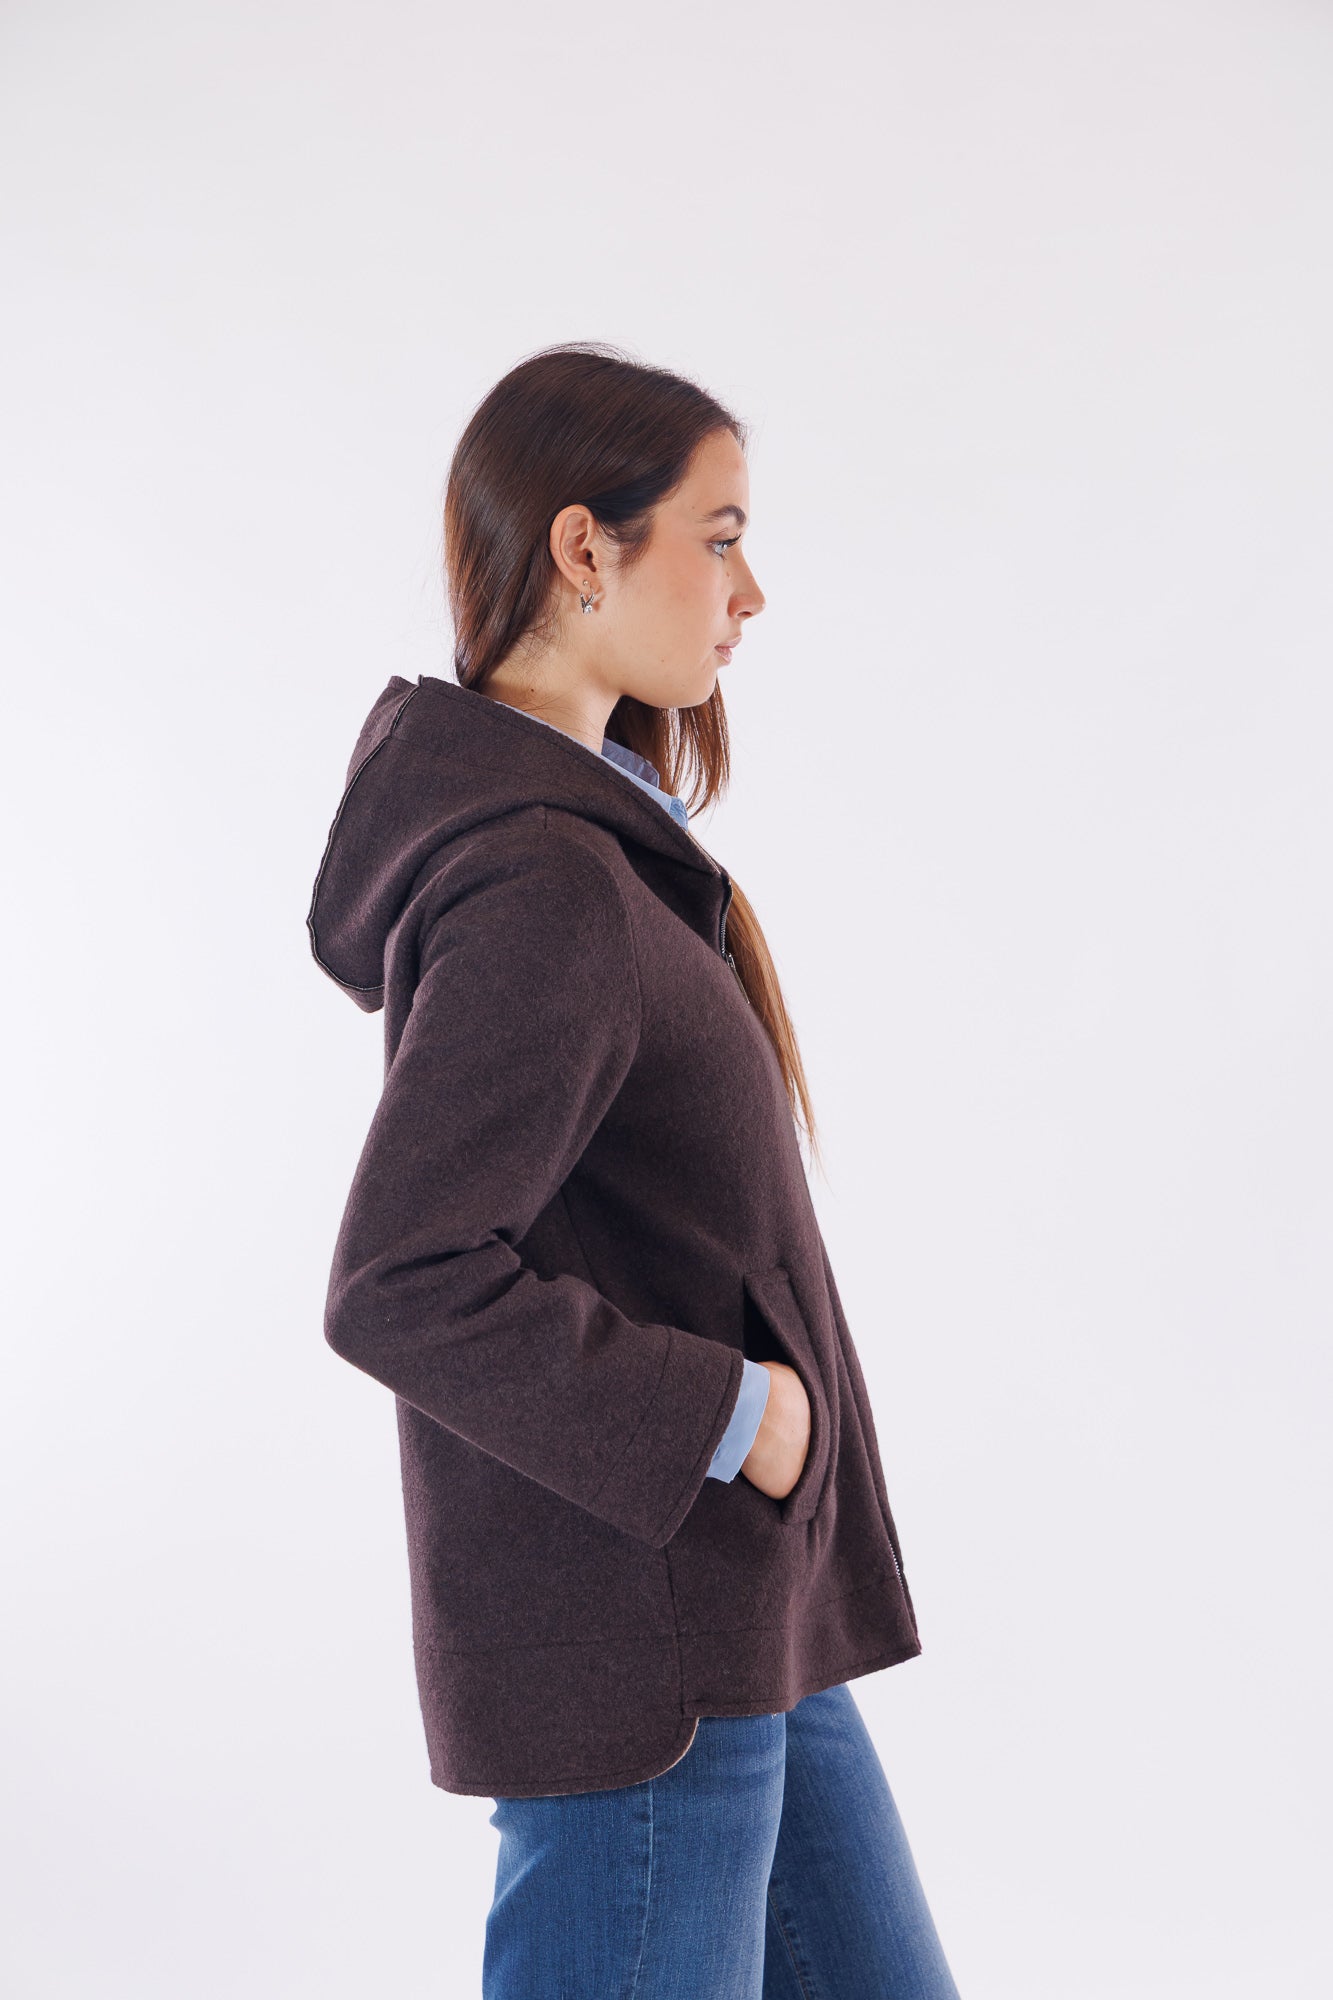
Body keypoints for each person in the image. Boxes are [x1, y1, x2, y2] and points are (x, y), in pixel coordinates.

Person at [307, 341, 962, 1997]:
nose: (750, 594)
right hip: (644, 1649)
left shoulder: (603, 843)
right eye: (719, 537)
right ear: (583, 549)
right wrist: (734, 1416)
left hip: (739, 1615)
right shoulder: (543, 883)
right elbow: (402, 1282)